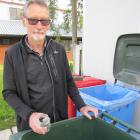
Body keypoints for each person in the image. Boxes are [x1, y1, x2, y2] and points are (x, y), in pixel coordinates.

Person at [2, 0, 98, 135]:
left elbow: (69, 82)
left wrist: (82, 105)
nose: (39, 26)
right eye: (33, 20)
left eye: (44, 21)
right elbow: (9, 93)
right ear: (24, 21)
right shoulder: (12, 54)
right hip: (31, 125)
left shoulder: (58, 49)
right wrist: (30, 115)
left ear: (49, 24)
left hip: (59, 121)